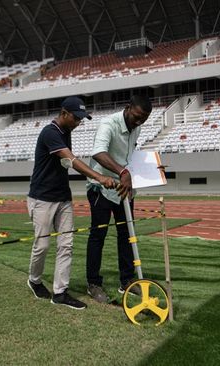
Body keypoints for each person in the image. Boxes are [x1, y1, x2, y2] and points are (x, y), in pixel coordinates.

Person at [27, 96, 117, 310]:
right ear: (64, 113)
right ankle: (34, 280)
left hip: (63, 198)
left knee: (66, 245)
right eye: (76, 118)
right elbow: (71, 160)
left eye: (81, 119)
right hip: (41, 198)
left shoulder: (66, 131)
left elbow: (66, 162)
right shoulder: (50, 132)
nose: (78, 123)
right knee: (42, 245)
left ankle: (60, 293)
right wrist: (99, 177)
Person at [85, 95, 152, 303]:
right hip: (102, 188)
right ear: (127, 108)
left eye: (144, 119)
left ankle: (127, 281)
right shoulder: (109, 124)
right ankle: (93, 283)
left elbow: (129, 155)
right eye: (137, 117)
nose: (139, 122)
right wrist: (122, 171)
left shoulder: (137, 127)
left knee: (126, 235)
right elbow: (98, 152)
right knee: (98, 235)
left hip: (124, 189)